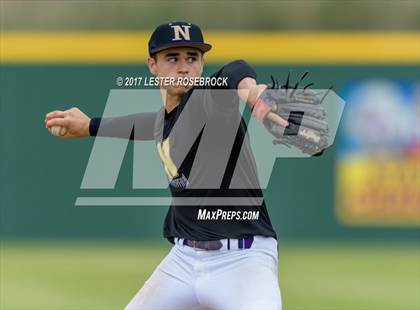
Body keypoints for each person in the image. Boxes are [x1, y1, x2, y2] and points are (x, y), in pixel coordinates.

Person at [45, 21, 288, 310]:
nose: (184, 67)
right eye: (172, 58)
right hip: (183, 261)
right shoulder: (167, 120)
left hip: (243, 261)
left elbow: (235, 69)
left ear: (201, 64)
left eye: (192, 58)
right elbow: (147, 125)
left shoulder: (210, 101)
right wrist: (90, 125)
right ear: (152, 65)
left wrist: (253, 92)